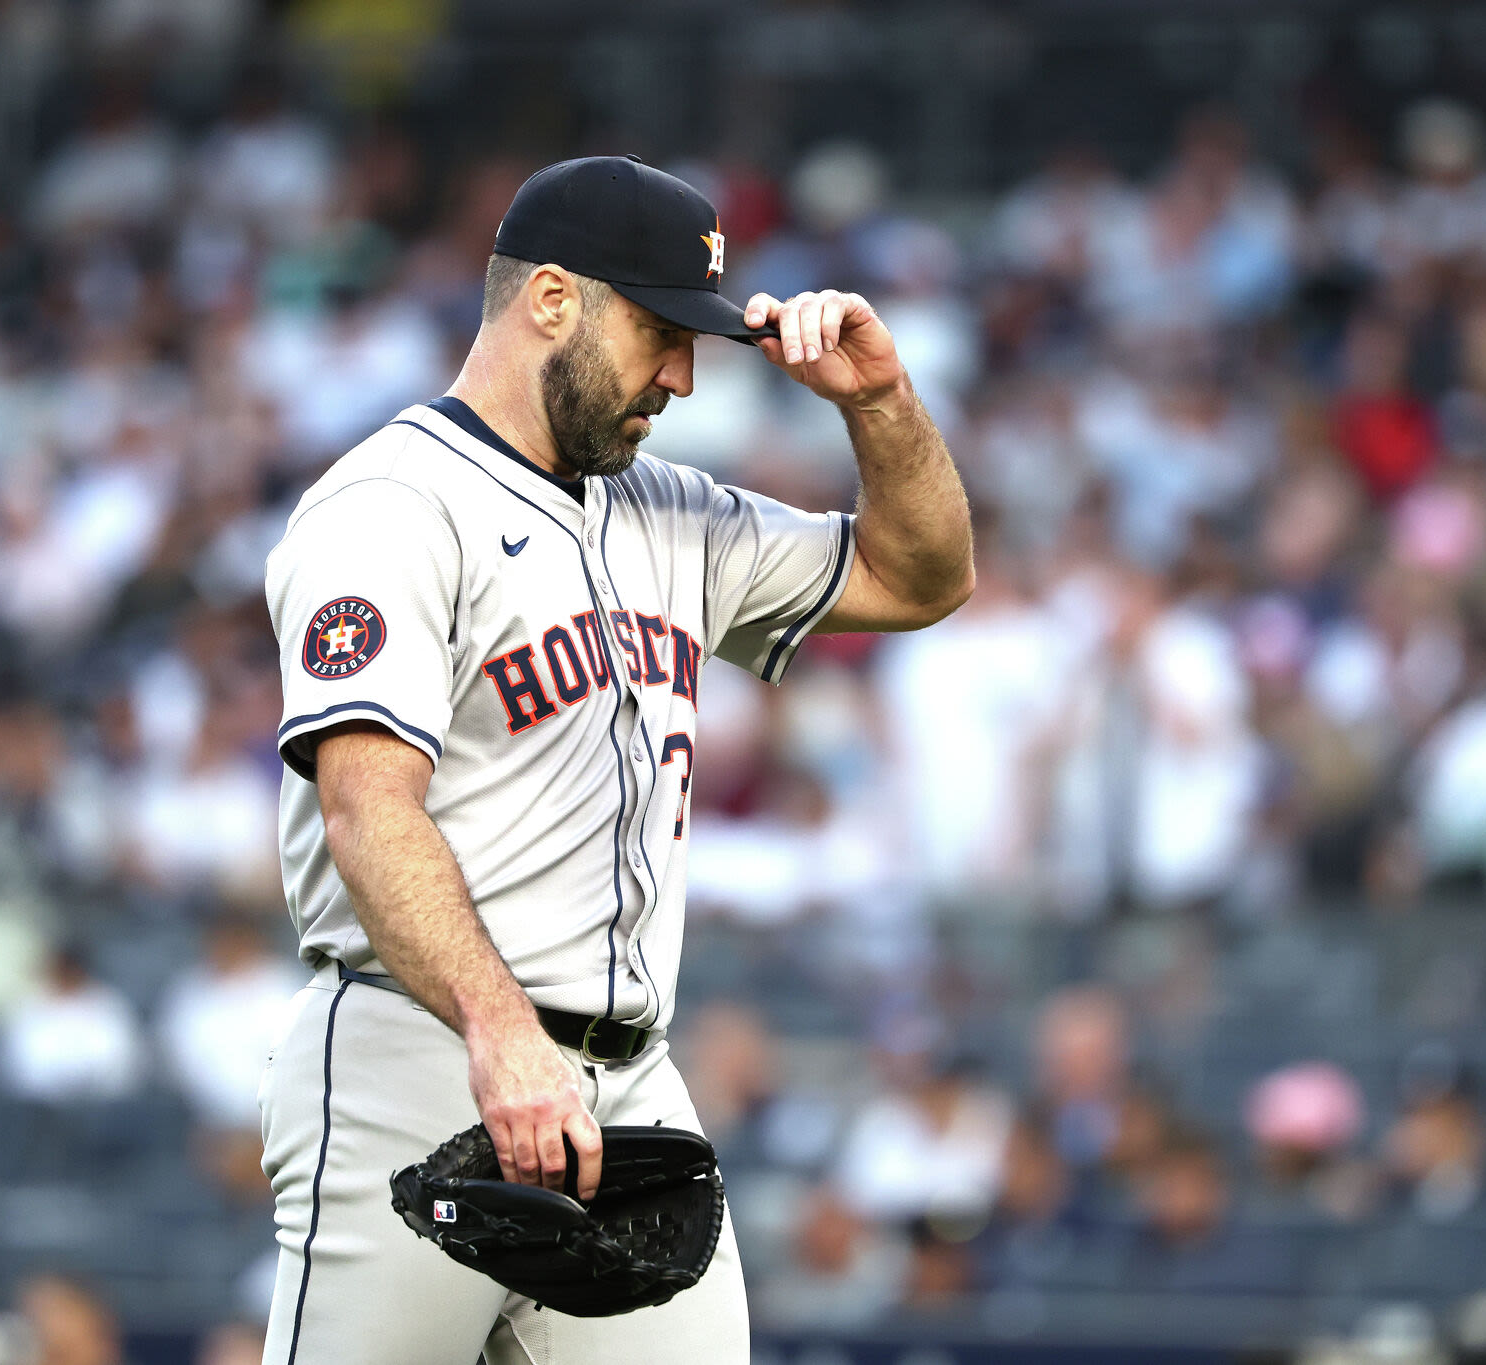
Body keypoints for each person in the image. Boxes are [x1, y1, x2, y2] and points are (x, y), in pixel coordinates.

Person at [257, 155, 973, 1365]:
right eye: (659, 330)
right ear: (550, 301)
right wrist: (498, 1033)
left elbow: (922, 578)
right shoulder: (388, 505)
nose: (684, 377)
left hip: (628, 1088)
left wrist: (878, 401)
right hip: (418, 1059)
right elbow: (367, 806)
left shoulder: (672, 511)